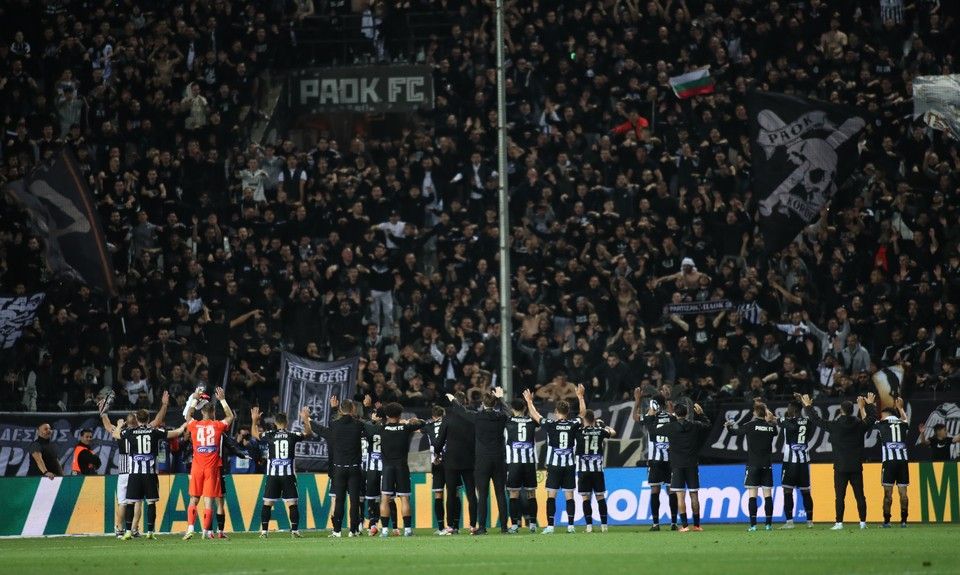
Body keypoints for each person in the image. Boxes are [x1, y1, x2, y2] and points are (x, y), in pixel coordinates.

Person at [100, 391, 169, 538]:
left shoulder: (122, 432)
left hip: (124, 471)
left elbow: (108, 427)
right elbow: (157, 420)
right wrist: (164, 405)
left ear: (126, 422)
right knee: (138, 502)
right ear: (137, 421)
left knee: (123, 502)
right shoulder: (144, 431)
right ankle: (134, 528)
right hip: (138, 470)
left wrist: (103, 414)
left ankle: (120, 529)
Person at [522, 384, 587, 534]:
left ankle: (550, 526)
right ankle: (570, 526)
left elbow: (535, 415)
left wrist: (529, 401)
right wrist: (580, 397)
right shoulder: (573, 424)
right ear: (568, 412)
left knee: (551, 496)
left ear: (556, 412)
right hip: (569, 465)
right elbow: (583, 413)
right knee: (569, 496)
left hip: (554, 466)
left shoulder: (551, 425)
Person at [114, 409, 188, 539]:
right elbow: (176, 433)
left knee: (130, 503)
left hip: (135, 474)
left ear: (137, 419)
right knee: (151, 503)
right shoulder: (154, 431)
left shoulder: (130, 432)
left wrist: (120, 425)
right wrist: (186, 424)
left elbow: (116, 434)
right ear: (148, 419)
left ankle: (128, 532)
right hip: (150, 474)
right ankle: (150, 532)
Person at [445, 387, 509, 535]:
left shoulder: (478, 417)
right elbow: (508, 412)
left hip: (482, 461)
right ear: (495, 403)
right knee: (500, 493)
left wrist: (453, 399)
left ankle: (482, 527)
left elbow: (462, 411)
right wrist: (501, 398)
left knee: (483, 495)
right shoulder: (501, 417)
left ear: (483, 404)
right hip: (499, 460)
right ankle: (504, 527)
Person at [251, 405, 312, 538]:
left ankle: (264, 532)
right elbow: (308, 433)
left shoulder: (269, 435)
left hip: (273, 475)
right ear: (287, 422)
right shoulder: (292, 435)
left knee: (267, 503)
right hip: (288, 475)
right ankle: (294, 531)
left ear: (275, 423)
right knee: (292, 503)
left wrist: (254, 420)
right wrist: (305, 419)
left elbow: (254, 434)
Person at [182, 387, 234, 540]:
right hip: (211, 469)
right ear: (212, 413)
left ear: (202, 412)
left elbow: (188, 415)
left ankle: (190, 528)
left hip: (197, 467)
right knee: (209, 500)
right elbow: (230, 416)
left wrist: (195, 399)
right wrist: (222, 400)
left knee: (194, 498)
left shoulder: (194, 425)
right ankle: (206, 531)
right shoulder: (217, 426)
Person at [313, 395, 365, 537]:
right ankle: (353, 530)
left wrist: (308, 420)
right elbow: (369, 429)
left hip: (339, 469)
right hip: (354, 468)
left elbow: (321, 429)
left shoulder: (334, 425)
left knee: (339, 500)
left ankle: (337, 531)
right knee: (354, 501)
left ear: (341, 410)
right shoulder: (358, 425)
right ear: (353, 409)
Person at [827, 393, 877, 530]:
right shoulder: (859, 424)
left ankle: (839, 523)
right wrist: (868, 405)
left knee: (839, 497)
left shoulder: (834, 425)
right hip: (856, 467)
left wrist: (808, 407)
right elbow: (872, 418)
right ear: (853, 410)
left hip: (840, 467)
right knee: (860, 496)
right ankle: (862, 522)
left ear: (841, 410)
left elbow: (816, 420)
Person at [658, 402, 711, 532]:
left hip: (677, 466)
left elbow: (654, 430)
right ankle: (697, 525)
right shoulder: (694, 425)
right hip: (692, 465)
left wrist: (656, 416)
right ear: (687, 413)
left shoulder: (670, 427)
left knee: (680, 496)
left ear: (675, 414)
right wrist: (701, 414)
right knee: (694, 495)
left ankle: (685, 526)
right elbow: (707, 425)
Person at [726, 402, 778, 531]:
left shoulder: (749, 425)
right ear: (765, 413)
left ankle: (753, 525)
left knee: (752, 495)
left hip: (753, 465)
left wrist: (728, 426)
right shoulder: (771, 428)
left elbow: (734, 432)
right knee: (768, 496)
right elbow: (775, 431)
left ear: (755, 413)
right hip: (767, 465)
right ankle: (768, 525)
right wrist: (770, 420)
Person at [376, 402, 424, 537]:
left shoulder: (382, 428)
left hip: (387, 468)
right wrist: (413, 420)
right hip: (402, 467)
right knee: (404, 498)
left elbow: (370, 426)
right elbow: (423, 423)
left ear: (387, 415)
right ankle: (407, 530)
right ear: (400, 415)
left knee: (385, 498)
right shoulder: (405, 427)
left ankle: (384, 530)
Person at [636, 389, 678, 531]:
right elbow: (676, 416)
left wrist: (637, 400)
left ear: (653, 404)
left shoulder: (650, 418)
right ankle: (673, 523)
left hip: (655, 460)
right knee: (671, 491)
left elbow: (635, 417)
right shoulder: (672, 417)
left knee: (655, 491)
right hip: (670, 460)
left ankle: (655, 523)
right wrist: (669, 404)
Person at [437, 391, 478, 534]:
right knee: (471, 493)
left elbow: (440, 440)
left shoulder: (447, 418)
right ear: (465, 401)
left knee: (451, 493)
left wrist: (437, 453)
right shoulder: (472, 416)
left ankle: (450, 526)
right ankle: (473, 525)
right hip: (469, 460)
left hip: (451, 461)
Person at [778, 394, 819, 528]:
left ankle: (789, 522)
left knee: (787, 491)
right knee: (806, 492)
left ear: (794, 410)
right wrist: (804, 402)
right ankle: (810, 522)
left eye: (789, 408)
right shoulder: (808, 421)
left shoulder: (787, 421)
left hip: (790, 463)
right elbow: (813, 416)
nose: (787, 409)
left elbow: (774, 420)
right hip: (803, 462)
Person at [577, 409, 616, 533]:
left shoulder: (578, 431)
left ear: (584, 419)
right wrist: (604, 426)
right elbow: (613, 432)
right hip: (597, 470)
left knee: (585, 498)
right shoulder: (600, 431)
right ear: (594, 419)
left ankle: (589, 526)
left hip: (583, 470)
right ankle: (604, 526)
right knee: (600, 497)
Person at [505, 397, 540, 533]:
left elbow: (505, 411)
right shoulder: (532, 421)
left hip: (514, 463)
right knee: (531, 494)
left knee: (513, 494)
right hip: (529, 463)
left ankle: (514, 525)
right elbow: (537, 417)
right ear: (525, 408)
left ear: (512, 409)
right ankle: (532, 524)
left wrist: (501, 398)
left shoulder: (508, 421)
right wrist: (530, 402)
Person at [875, 397, 910, 528]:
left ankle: (886, 521)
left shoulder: (881, 423)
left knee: (888, 494)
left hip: (889, 463)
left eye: (882, 415)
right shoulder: (903, 424)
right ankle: (904, 521)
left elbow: (866, 419)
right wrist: (900, 408)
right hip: (902, 462)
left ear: (886, 414)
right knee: (903, 493)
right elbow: (906, 420)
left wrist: (863, 407)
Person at [422, 405, 448, 534]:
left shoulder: (428, 426)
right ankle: (454, 526)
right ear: (444, 415)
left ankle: (441, 527)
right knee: (453, 493)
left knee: (438, 494)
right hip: (450, 462)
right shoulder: (449, 424)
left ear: (433, 416)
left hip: (436, 463)